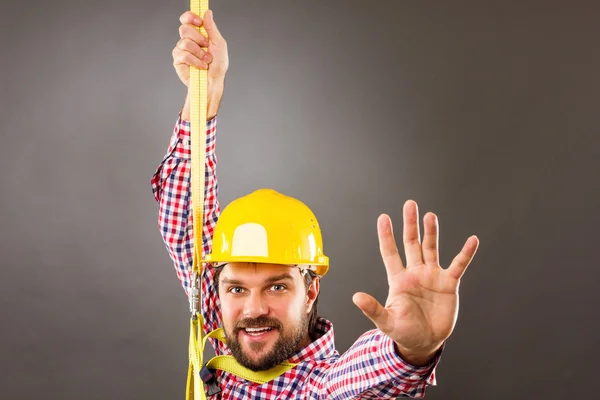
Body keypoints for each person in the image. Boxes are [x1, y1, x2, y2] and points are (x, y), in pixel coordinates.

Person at [151, 10, 480, 399]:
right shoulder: (230, 328)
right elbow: (183, 210)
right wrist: (205, 89)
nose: (253, 309)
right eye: (236, 289)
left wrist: (412, 350)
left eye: (276, 287)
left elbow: (356, 380)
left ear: (309, 292)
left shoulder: (318, 387)